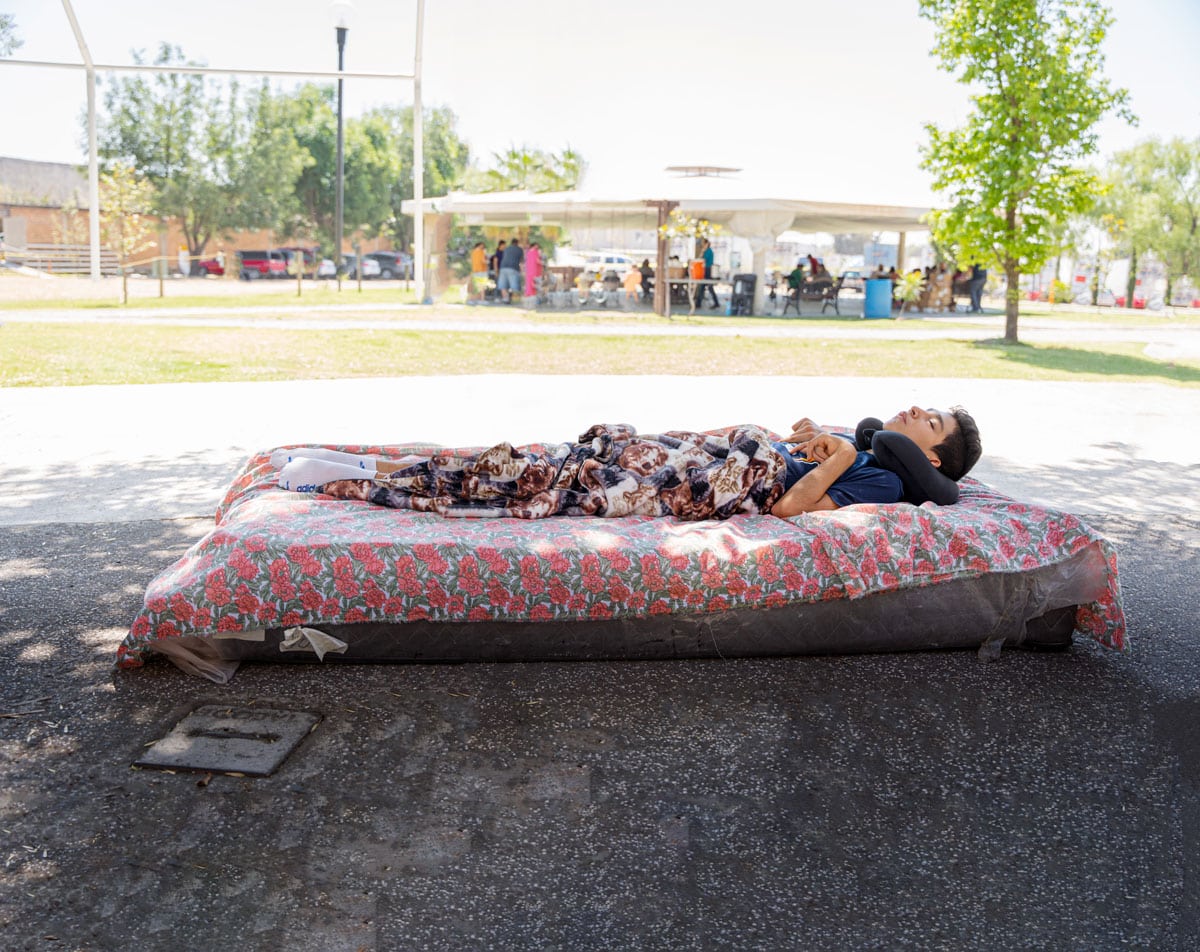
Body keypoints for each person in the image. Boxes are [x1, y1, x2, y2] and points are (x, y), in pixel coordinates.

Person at [274, 405, 981, 522]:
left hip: (707, 483)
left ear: (933, 454)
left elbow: (794, 508)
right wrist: (813, 442)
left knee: (550, 481)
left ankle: (352, 478)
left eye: (932, 419)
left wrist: (842, 455)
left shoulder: (887, 478)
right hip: (705, 454)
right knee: (554, 458)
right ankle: (370, 466)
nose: (917, 407)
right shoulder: (864, 450)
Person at [694, 238, 720, 310]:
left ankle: (716, 303)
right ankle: (698, 303)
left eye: (703, 244)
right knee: (703, 287)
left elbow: (702, 259)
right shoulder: (707, 251)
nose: (702, 245)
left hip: (707, 270)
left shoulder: (708, 251)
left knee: (709, 287)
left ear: (706, 244)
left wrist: (702, 252)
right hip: (706, 269)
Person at [498, 238, 523, 303]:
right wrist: (521, 270)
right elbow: (521, 261)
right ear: (517, 243)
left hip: (503, 267)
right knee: (514, 285)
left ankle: (505, 299)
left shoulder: (506, 249)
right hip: (513, 268)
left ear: (511, 243)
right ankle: (515, 300)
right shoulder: (519, 249)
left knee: (503, 285)